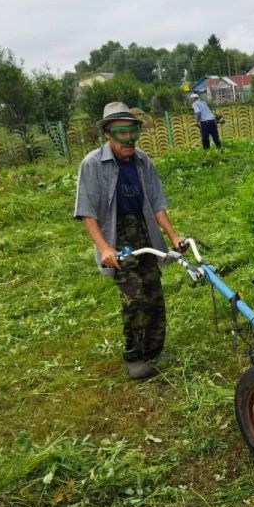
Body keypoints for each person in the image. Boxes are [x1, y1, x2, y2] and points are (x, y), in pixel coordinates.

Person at [74, 102, 185, 380]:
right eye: (121, 133)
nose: (129, 140)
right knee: (134, 296)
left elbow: (157, 204)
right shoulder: (92, 165)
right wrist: (104, 248)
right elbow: (87, 213)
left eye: (132, 131)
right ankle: (134, 356)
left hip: (144, 228)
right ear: (107, 135)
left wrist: (173, 236)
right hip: (117, 234)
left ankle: (153, 349)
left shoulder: (143, 161)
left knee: (154, 292)